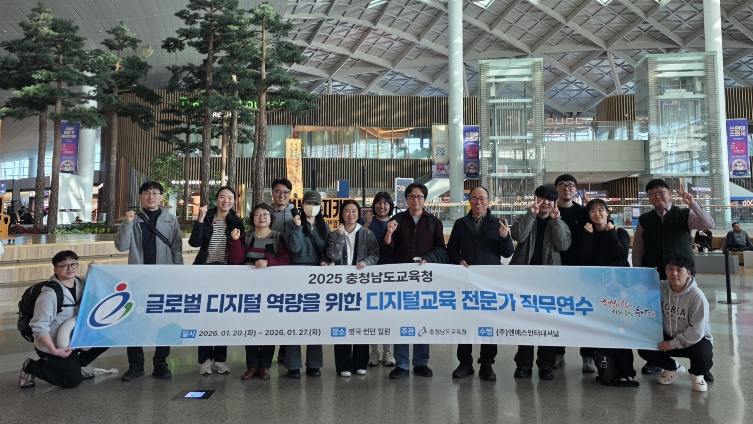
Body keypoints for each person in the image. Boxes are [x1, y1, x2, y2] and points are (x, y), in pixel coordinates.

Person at [632, 179, 714, 375]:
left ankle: (700, 361)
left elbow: (708, 224)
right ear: (648, 197)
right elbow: (638, 249)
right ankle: (656, 360)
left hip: (681, 275)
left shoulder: (684, 214)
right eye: (652, 193)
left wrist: (692, 203)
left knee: (689, 312)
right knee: (655, 316)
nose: (657, 196)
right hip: (653, 276)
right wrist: (639, 272)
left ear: (670, 194)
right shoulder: (645, 220)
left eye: (661, 192)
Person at [114, 181, 184, 381]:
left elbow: (177, 248)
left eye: (155, 193)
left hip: (164, 278)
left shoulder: (170, 219)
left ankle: (161, 363)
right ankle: (135, 365)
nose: (151, 196)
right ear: (141, 197)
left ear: (161, 197)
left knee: (165, 319)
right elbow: (121, 246)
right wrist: (127, 223)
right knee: (134, 320)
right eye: (147, 193)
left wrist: (179, 272)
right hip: (138, 278)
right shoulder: (133, 219)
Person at [447, 186, 514, 381]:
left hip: (490, 282)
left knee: (489, 322)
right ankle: (465, 363)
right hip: (466, 280)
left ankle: (487, 363)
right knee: (465, 321)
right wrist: (459, 260)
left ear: (488, 201)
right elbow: (452, 249)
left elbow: (507, 253)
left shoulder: (498, 224)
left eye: (482, 198)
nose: (479, 202)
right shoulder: (461, 224)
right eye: (474, 198)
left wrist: (505, 237)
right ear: (469, 201)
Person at [384, 182, 448, 379]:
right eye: (411, 196)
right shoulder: (396, 220)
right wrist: (388, 233)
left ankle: (421, 362)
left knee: (422, 318)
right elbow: (387, 248)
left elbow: (441, 249)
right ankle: (401, 363)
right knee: (401, 318)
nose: (415, 200)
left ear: (425, 199)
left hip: (424, 279)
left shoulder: (433, 222)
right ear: (406, 199)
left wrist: (428, 258)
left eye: (419, 196)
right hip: (401, 279)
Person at [19, 250, 108, 388]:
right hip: (54, 344)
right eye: (64, 265)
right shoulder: (50, 294)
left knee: (105, 340)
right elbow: (39, 326)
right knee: (73, 380)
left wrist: (96, 271)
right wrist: (54, 350)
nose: (70, 268)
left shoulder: (82, 283)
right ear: (56, 269)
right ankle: (30, 367)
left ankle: (75, 366)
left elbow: (103, 288)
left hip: (75, 338)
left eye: (73, 264)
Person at [509, 185, 571, 381]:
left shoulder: (560, 222)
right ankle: (524, 365)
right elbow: (518, 235)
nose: (546, 202)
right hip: (524, 279)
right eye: (542, 198)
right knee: (525, 322)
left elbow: (563, 245)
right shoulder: (523, 217)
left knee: (547, 322)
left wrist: (556, 221)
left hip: (549, 280)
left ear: (555, 202)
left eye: (550, 199)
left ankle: (546, 364)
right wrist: (531, 215)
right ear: (535, 199)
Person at [578, 199, 637, 387]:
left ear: (607, 212)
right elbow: (584, 258)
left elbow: (620, 254)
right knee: (600, 330)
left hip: (619, 291)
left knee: (620, 329)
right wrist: (588, 236)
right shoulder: (587, 233)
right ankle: (607, 369)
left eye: (600, 210)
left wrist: (610, 232)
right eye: (592, 211)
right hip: (596, 291)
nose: (597, 214)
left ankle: (627, 372)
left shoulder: (620, 232)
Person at [188, 186, 245, 375]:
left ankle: (220, 359)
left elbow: (239, 248)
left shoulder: (236, 221)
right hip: (204, 272)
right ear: (217, 199)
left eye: (230, 198)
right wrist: (200, 219)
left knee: (222, 316)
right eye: (222, 197)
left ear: (234, 201)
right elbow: (194, 243)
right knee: (204, 316)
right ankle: (205, 360)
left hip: (225, 273)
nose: (226, 201)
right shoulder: (207, 218)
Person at [229, 203, 290, 380]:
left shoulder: (277, 238)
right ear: (252, 218)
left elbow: (286, 260)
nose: (261, 217)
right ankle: (252, 366)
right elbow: (236, 260)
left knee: (268, 328)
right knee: (250, 328)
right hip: (249, 292)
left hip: (271, 293)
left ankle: (265, 366)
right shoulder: (245, 237)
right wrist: (235, 242)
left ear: (271, 218)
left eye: (265, 214)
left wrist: (268, 262)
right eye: (257, 214)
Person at [637, 254, 713, 392]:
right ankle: (673, 368)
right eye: (670, 269)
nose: (674, 273)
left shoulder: (697, 297)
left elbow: (697, 330)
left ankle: (697, 375)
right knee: (644, 348)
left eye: (679, 270)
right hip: (668, 334)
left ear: (688, 273)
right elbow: (638, 290)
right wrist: (648, 276)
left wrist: (672, 344)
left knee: (703, 355)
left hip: (694, 339)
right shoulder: (660, 287)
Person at [326, 200, 379, 377]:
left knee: (361, 322)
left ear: (359, 213)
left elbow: (375, 255)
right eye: (347, 211)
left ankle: (360, 363)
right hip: (341, 285)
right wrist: (340, 237)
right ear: (342, 214)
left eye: (354, 211)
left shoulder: (367, 233)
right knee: (342, 323)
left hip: (362, 285)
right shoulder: (335, 234)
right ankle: (343, 365)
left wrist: (367, 262)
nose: (351, 214)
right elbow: (332, 255)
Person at [282, 190, 329, 378]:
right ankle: (293, 365)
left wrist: (325, 260)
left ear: (320, 206)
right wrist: (297, 227)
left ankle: (314, 364)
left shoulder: (324, 226)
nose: (312, 207)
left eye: (316, 204)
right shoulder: (291, 224)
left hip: (317, 276)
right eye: (309, 203)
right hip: (296, 274)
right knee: (294, 319)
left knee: (315, 319)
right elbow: (294, 248)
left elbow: (329, 250)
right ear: (302, 205)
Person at [552, 174, 594, 372]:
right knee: (557, 313)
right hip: (557, 269)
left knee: (585, 313)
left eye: (570, 185)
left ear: (576, 190)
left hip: (581, 269)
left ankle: (588, 356)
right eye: (562, 185)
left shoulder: (583, 212)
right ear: (556, 189)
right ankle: (558, 354)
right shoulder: (551, 211)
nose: (566, 188)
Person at [363, 192, 396, 367]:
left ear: (390, 205)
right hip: (369, 273)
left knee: (388, 313)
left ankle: (388, 351)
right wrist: (366, 224)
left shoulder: (395, 222)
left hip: (390, 273)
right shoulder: (367, 221)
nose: (382, 206)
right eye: (378, 202)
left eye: (385, 203)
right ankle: (374, 351)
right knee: (372, 313)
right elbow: (360, 242)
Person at [268, 178, 295, 363]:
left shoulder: (296, 213)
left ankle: (285, 350)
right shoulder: (265, 212)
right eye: (278, 191)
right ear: (272, 193)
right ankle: (267, 352)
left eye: (286, 192)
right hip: (268, 266)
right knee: (270, 310)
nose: (282, 195)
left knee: (288, 311)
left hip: (291, 268)